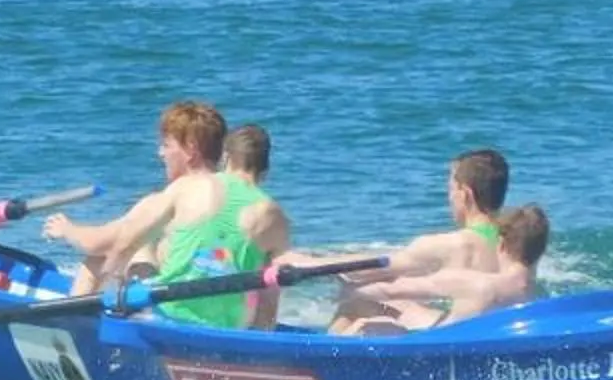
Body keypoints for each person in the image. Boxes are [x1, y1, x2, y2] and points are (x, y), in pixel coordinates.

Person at [44, 100, 292, 329]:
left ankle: (74, 337)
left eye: (166, 145)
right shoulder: (265, 211)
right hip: (230, 325)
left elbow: (105, 244)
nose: (160, 153)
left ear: (190, 149)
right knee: (158, 251)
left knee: (99, 258)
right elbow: (270, 293)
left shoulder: (178, 192)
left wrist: (67, 229)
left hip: (172, 315)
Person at [307, 147, 512, 333]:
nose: (449, 198)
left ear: (465, 194)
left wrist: (306, 265)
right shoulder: (513, 241)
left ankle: (319, 362)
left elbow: (377, 266)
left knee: (355, 304)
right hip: (492, 331)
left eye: (451, 189)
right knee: (393, 303)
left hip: (451, 340)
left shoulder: (453, 243)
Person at [334, 206, 550, 335]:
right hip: (481, 345)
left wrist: (348, 292)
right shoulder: (536, 297)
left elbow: (393, 289)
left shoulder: (475, 284)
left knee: (360, 315)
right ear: (539, 250)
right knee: (402, 308)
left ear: (501, 244)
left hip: (437, 349)